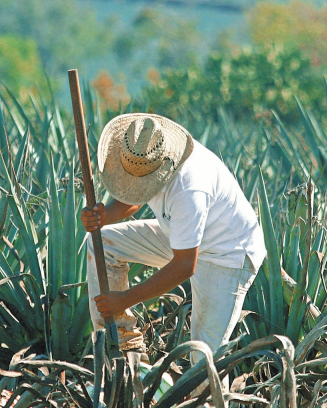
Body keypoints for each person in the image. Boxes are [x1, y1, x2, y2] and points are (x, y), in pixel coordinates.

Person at [80, 113, 266, 363]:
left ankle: (205, 402)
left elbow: (184, 266)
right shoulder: (145, 155)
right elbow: (134, 192)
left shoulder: (189, 189)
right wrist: (103, 216)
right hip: (182, 236)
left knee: (202, 362)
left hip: (227, 255)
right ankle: (125, 347)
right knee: (101, 241)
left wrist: (125, 299)